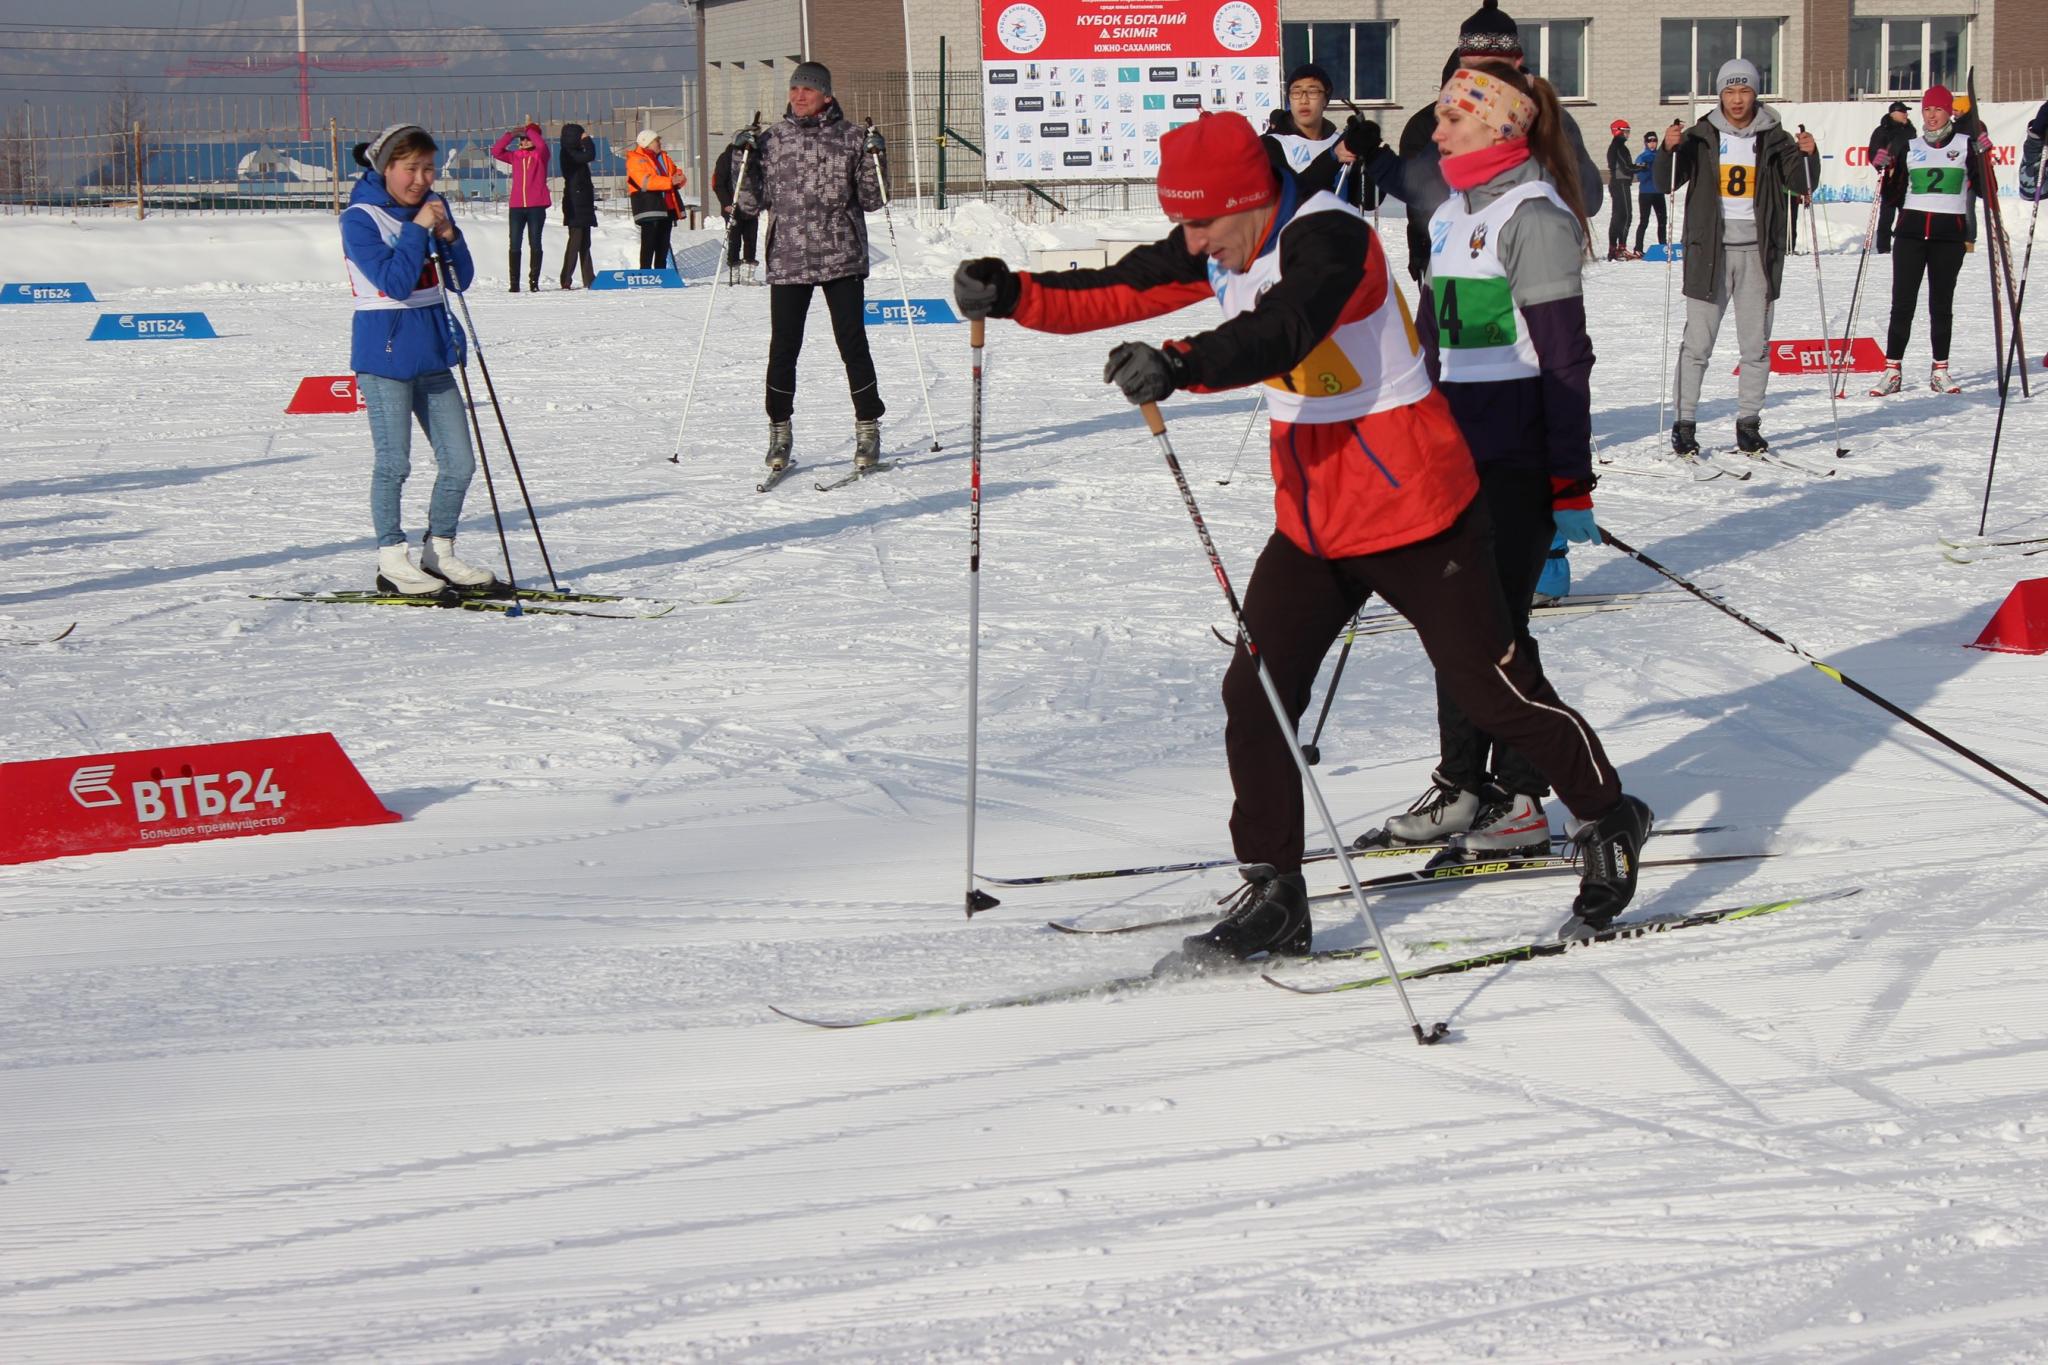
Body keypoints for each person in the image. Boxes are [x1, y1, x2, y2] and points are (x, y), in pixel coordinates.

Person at [950, 110, 1651, 956]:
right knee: (1257, 694)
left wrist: (1183, 363)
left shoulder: (1333, 241)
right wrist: (1017, 294)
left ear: (1252, 200)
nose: (1194, 241)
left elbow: (1287, 325)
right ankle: (1275, 889)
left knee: (1490, 689)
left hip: (1418, 511)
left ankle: (1610, 812)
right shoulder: (1224, 238)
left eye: (1205, 222)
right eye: (1186, 222)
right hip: (1316, 519)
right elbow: (1123, 284)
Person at [1374, 61, 1602, 858]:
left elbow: (1566, 359)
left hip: (1514, 458)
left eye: (1451, 120)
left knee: (1497, 632)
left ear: (1500, 128)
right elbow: (1436, 342)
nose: (1435, 132)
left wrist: (1568, 480)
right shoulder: (1448, 214)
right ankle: (1463, 783)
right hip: (1453, 455)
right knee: (1452, 623)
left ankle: (1523, 795)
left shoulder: (1534, 215)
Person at [340, 123, 497, 597]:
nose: (421, 180)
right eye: (410, 169)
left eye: (428, 169)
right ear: (385, 167)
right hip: (384, 355)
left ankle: (439, 552)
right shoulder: (360, 218)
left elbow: (459, 280)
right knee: (394, 463)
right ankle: (393, 559)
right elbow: (396, 282)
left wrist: (450, 235)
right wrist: (419, 230)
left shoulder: (432, 208)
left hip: (433, 351)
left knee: (461, 463)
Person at [1657, 58, 1820, 458]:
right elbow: (1666, 182)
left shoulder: (1776, 138)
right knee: (1697, 344)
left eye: (1743, 91)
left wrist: (1809, 156)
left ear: (1755, 93)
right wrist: (1668, 149)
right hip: (1708, 254)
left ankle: (1748, 423)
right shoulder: (1700, 136)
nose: (1736, 99)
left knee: (1756, 346)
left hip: (1757, 256)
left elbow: (1803, 184)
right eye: (1729, 92)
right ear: (1720, 95)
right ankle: (1685, 423)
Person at [1386, 1, 1602, 290]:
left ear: (1516, 63)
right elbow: (1418, 185)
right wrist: (1375, 155)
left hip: (1527, 271)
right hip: (1458, 268)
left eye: (1493, 69)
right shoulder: (1449, 118)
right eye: (1471, 69)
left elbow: (1589, 198)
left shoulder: (1548, 115)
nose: (1482, 81)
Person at [738, 62, 888, 474]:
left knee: (852, 343)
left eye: (808, 89)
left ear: (826, 94)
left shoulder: (853, 138)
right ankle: (779, 430)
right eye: (794, 88)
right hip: (789, 257)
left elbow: (875, 200)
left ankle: (868, 426)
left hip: (842, 255)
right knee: (784, 347)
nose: (799, 96)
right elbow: (748, 204)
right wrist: (742, 159)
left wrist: (878, 156)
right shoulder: (772, 140)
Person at [1872, 86, 1987, 397]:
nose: (1932, 116)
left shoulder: (1965, 143)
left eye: (1938, 109)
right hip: (1910, 234)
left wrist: (1985, 157)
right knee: (1902, 304)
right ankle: (1892, 370)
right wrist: (1883, 167)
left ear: (1949, 111)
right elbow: (1892, 194)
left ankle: (1940, 370)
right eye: (1927, 110)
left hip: (1948, 236)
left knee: (1941, 304)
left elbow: (1986, 187)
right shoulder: (1909, 145)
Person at [1260, 62, 1375, 210]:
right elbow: (1290, 198)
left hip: (1341, 230)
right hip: (1293, 232)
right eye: (1296, 92)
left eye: (1313, 92)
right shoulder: (1270, 144)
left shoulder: (1339, 142)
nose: (1304, 100)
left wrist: (1371, 157)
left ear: (1325, 99)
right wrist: (1332, 157)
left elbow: (1367, 202)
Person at [489, 121, 550, 293]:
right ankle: (514, 283)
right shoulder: (515, 156)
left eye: (526, 139)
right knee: (514, 243)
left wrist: (530, 131)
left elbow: (541, 145)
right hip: (516, 206)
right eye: (521, 139)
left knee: (535, 242)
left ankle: (534, 282)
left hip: (536, 206)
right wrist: (510, 135)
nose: (523, 142)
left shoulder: (541, 155)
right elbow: (496, 151)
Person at [625, 129, 682, 270]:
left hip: (666, 206)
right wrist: (670, 181)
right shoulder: (636, 159)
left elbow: (677, 173)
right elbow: (645, 181)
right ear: (647, 143)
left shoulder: (664, 158)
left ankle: (661, 272)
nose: (659, 143)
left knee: (663, 243)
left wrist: (679, 179)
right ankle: (645, 272)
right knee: (649, 241)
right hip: (648, 206)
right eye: (657, 141)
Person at [712, 132, 760, 284]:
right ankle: (734, 272)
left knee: (751, 239)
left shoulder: (756, 158)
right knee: (734, 239)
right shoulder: (726, 158)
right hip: (732, 206)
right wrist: (726, 203)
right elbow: (718, 183)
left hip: (751, 206)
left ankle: (748, 275)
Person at [1870, 100, 1915, 254]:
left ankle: (1904, 246)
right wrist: (1882, 164)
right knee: (1886, 217)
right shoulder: (1882, 131)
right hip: (1890, 179)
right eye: (1903, 111)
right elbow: (1873, 152)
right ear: (1894, 113)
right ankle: (1883, 248)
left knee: (1907, 217)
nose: (1906, 114)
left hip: (1908, 179)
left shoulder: (1910, 130)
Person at [556, 121, 596, 290]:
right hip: (575, 201)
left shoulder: (573, 151)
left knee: (585, 242)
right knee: (576, 240)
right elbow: (590, 155)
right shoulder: (568, 153)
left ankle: (589, 277)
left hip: (582, 201)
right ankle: (566, 277)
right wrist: (587, 141)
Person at [1632, 130, 1668, 255]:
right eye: (1650, 141)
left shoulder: (1660, 155)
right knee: (1644, 221)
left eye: (1654, 141)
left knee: (1662, 220)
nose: (1652, 144)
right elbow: (1640, 176)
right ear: (1645, 143)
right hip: (1646, 193)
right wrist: (1647, 169)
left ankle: (1663, 246)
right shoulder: (1642, 157)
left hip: (1659, 192)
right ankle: (1638, 248)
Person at [1605, 117, 1634, 260]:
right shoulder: (1618, 146)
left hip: (1618, 183)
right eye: (1626, 131)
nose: (1628, 134)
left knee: (1617, 216)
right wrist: (1641, 167)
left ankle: (1613, 248)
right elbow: (1626, 167)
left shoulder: (1617, 146)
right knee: (1626, 215)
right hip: (1620, 183)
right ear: (1618, 132)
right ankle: (1620, 247)